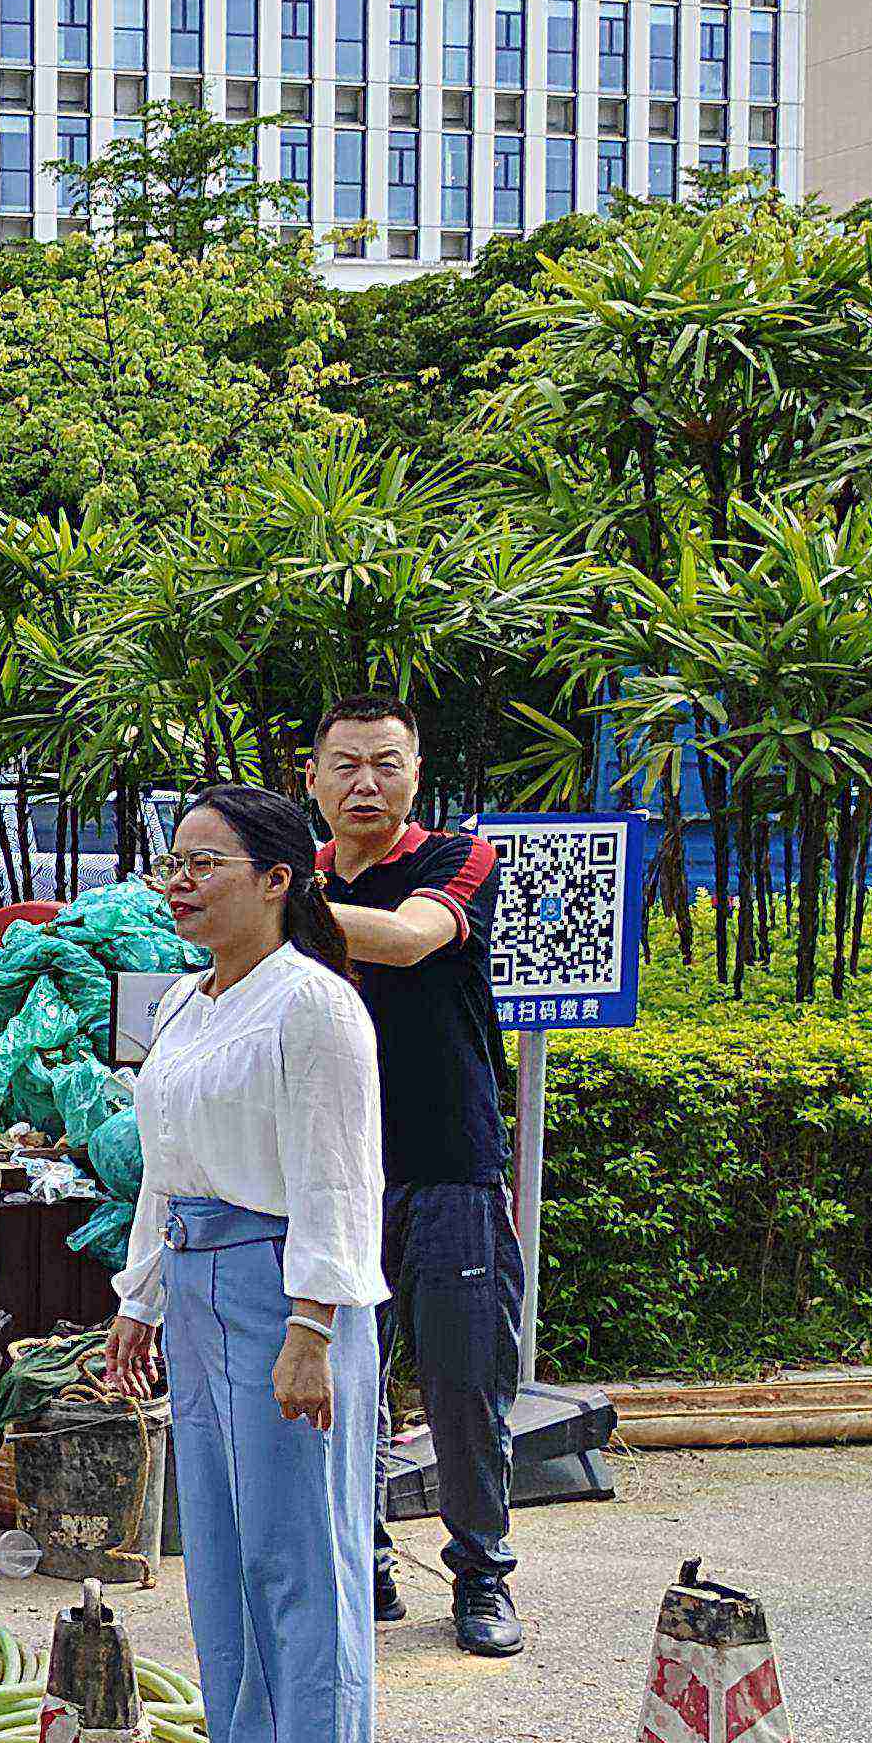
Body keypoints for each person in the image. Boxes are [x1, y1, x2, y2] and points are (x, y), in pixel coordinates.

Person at [100, 783, 387, 1743]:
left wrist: (313, 1332)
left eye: (207, 863)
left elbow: (337, 1178)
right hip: (202, 1281)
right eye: (174, 861)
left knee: (300, 1565)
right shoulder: (185, 1002)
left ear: (278, 879)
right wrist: (143, 1296)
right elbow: (162, 1165)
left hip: (287, 1296)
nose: (181, 881)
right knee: (220, 1560)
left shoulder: (313, 1007)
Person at [307, 695, 527, 1657]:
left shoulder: (454, 859)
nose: (366, 783)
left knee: (461, 1383)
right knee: (340, 1381)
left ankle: (483, 1575)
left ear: (415, 776)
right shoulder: (302, 877)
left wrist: (267, 908)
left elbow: (403, 940)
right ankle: (367, 1559)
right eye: (346, 764)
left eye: (386, 764)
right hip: (332, 1178)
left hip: (448, 1165)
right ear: (310, 781)